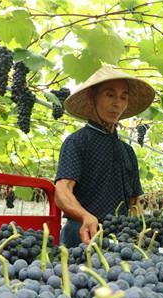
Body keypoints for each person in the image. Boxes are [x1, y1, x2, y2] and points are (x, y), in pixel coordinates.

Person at [54, 65, 155, 247]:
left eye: (123, 97)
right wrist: (85, 215)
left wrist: (141, 230)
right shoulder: (77, 142)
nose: (118, 103)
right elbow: (62, 191)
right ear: (93, 98)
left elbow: (134, 203)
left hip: (119, 237)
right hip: (82, 234)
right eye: (110, 95)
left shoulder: (127, 151)